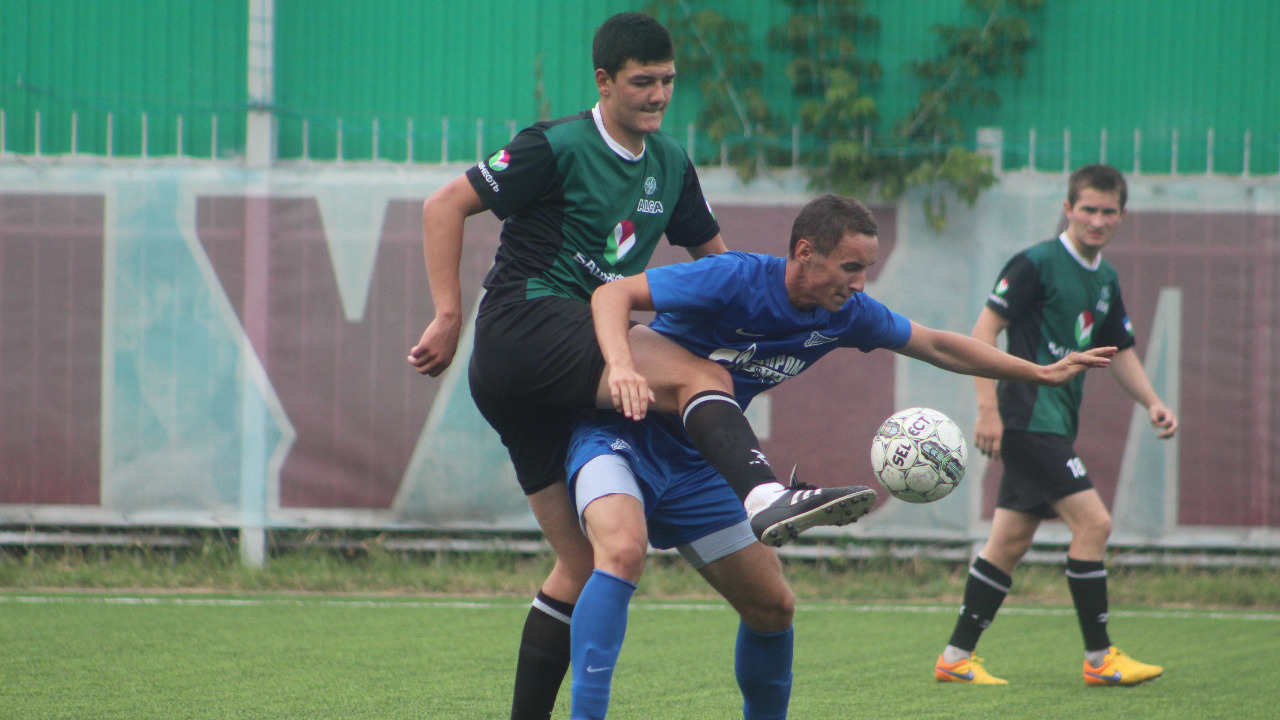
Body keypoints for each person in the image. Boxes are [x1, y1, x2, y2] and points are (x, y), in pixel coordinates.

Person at [406, 13, 873, 719]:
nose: (658, 95)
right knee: (700, 378)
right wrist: (447, 315)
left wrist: (775, 322)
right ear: (604, 81)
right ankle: (764, 497)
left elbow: (720, 268)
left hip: (543, 380)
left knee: (584, 563)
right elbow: (444, 205)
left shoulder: (671, 165)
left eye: (667, 81)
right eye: (642, 82)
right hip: (527, 327)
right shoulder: (556, 145)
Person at [568, 193, 1117, 719]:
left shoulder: (845, 313)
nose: (860, 284)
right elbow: (613, 295)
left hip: (703, 466)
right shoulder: (735, 276)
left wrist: (1038, 371)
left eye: (866, 269)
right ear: (806, 252)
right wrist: (621, 367)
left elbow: (936, 343)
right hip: (624, 437)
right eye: (851, 267)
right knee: (623, 552)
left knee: (773, 608)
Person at [933, 164, 1178, 687]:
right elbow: (983, 332)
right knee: (1094, 525)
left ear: (1122, 215)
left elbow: (1119, 351)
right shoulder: (1036, 263)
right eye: (1087, 209)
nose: (1097, 220)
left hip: (1055, 423)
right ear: (1068, 209)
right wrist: (987, 408)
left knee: (1008, 543)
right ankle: (1100, 659)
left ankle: (955, 658)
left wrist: (1152, 402)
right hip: (1027, 418)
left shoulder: (1105, 279)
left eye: (1108, 211)